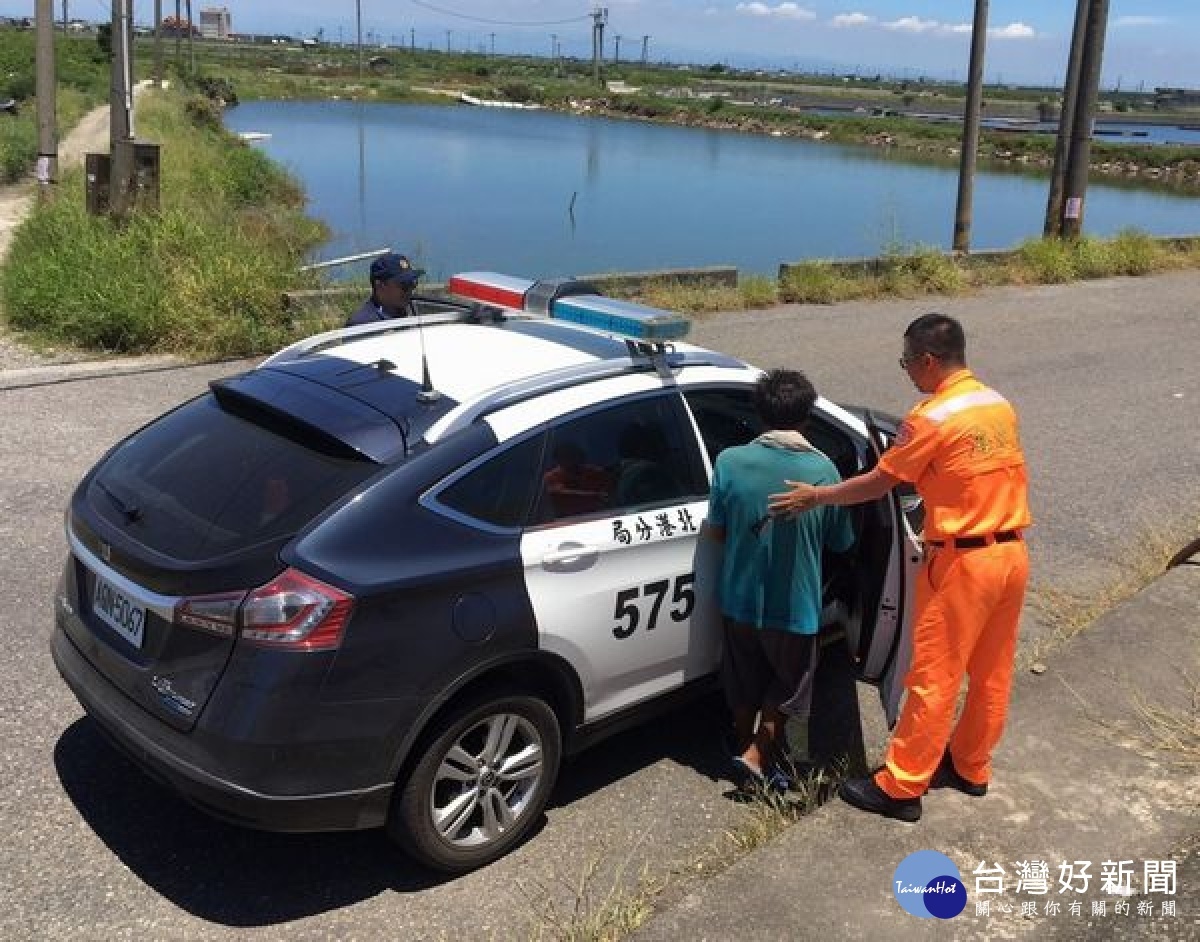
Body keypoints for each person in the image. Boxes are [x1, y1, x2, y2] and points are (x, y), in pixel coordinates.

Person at [768, 313, 1031, 822]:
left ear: (929, 360)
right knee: (992, 673)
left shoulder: (930, 418)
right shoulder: (996, 405)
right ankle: (971, 766)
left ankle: (902, 785)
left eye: (908, 362)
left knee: (934, 676)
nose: (907, 372)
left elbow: (878, 482)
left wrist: (817, 496)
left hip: (964, 564)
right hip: (1011, 553)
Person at [704, 369, 854, 792]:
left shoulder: (729, 460)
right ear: (807, 416)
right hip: (794, 606)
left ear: (759, 412)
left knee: (742, 680)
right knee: (790, 685)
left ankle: (743, 744)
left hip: (738, 599)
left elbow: (717, 530)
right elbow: (841, 541)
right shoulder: (823, 471)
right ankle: (757, 756)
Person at [346, 252, 424, 326]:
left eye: (412, 283)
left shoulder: (416, 309)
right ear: (380, 285)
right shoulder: (363, 324)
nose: (410, 290)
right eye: (404, 285)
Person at [541, 441, 614, 520]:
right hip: (567, 523)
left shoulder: (595, 473)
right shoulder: (552, 477)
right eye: (566, 457)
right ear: (558, 460)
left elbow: (610, 495)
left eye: (573, 456)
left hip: (602, 517)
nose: (571, 460)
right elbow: (559, 493)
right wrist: (595, 496)